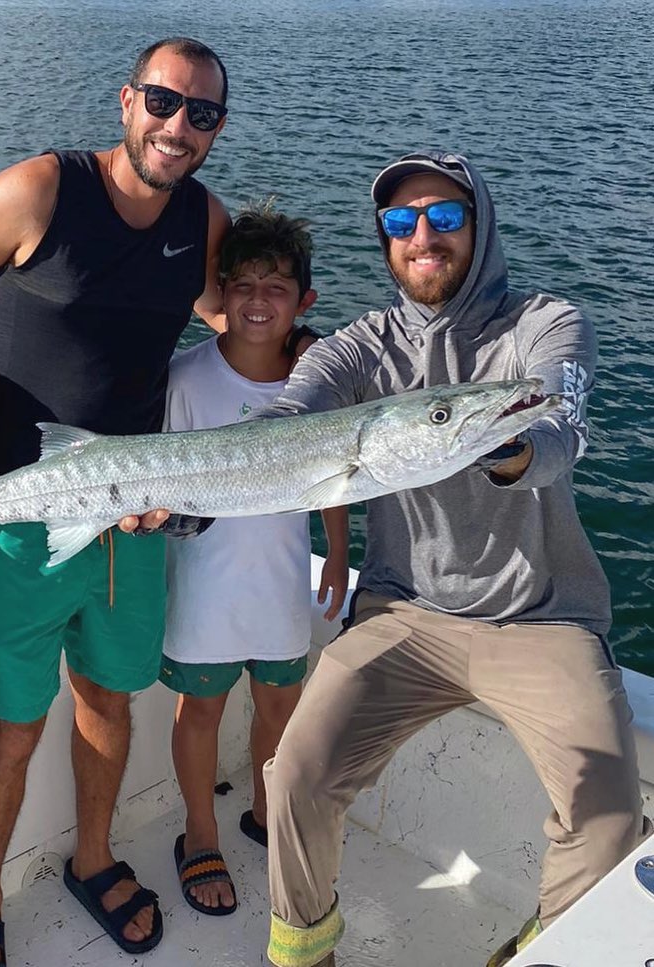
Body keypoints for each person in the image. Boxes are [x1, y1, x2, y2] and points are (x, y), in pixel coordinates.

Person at [0, 38, 232, 963]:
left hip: (130, 514)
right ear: (125, 101)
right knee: (15, 722)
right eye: (162, 101)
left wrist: (324, 375)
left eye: (202, 114)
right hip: (12, 520)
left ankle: (94, 856)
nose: (177, 126)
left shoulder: (204, 223)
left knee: (110, 699)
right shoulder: (39, 192)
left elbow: (243, 324)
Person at [261, 151, 649, 967]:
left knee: (609, 807)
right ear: (385, 240)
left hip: (538, 615)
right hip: (402, 609)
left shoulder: (545, 323)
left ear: (480, 224)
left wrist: (492, 444)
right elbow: (293, 413)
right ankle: (302, 952)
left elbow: (559, 426)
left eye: (444, 215)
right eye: (401, 222)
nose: (422, 236)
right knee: (294, 771)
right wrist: (189, 492)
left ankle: (544, 946)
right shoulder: (355, 351)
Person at [160, 206, 348, 918]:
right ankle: (198, 829)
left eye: (276, 286)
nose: (258, 300)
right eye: (241, 284)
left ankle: (264, 809)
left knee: (279, 705)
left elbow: (336, 469)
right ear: (219, 293)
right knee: (199, 709)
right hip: (202, 582)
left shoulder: (317, 385)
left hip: (281, 580)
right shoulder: (185, 379)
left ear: (304, 300)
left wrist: (334, 549)